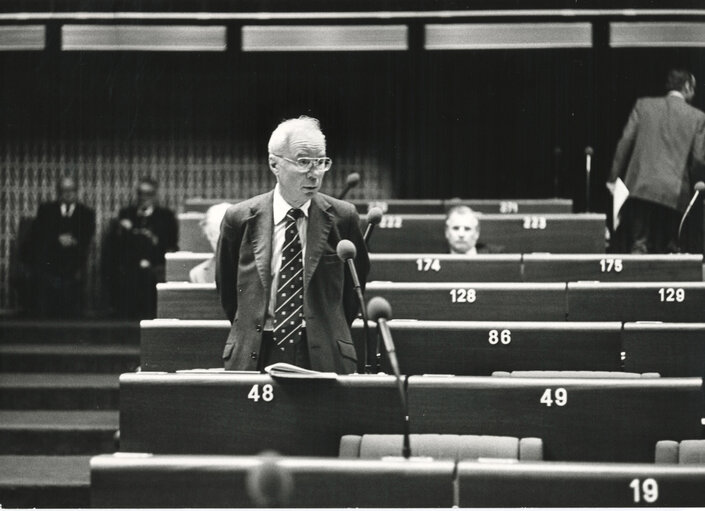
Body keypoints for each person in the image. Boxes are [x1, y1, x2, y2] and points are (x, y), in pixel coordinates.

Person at [216, 116, 369, 373]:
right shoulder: (240, 218)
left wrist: (326, 329)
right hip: (256, 349)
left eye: (321, 162)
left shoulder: (344, 217)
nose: (314, 172)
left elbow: (354, 289)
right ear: (274, 164)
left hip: (324, 352)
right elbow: (229, 290)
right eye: (303, 161)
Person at [608, 69, 705, 253]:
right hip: (674, 193)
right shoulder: (698, 117)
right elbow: (699, 159)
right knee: (671, 250)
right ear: (686, 87)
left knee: (638, 247)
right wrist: (695, 185)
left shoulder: (643, 105)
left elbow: (625, 142)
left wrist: (613, 178)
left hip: (640, 188)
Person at [105, 177, 178, 318]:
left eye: (148, 194)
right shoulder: (126, 214)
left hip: (155, 262)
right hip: (130, 263)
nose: (144, 197)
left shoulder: (166, 217)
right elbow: (118, 244)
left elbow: (170, 243)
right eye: (141, 193)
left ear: (155, 195)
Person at [29, 175, 95, 317]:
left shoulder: (87, 213)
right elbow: (38, 234)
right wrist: (57, 239)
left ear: (77, 191)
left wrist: (72, 240)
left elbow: (87, 236)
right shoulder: (46, 210)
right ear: (58, 191)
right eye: (64, 189)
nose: (68, 193)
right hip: (51, 256)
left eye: (71, 189)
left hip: (74, 257)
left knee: (71, 263)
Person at [189, 202, 231, 283]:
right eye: (214, 234)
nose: (221, 241)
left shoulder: (255, 270)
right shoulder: (197, 274)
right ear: (208, 235)